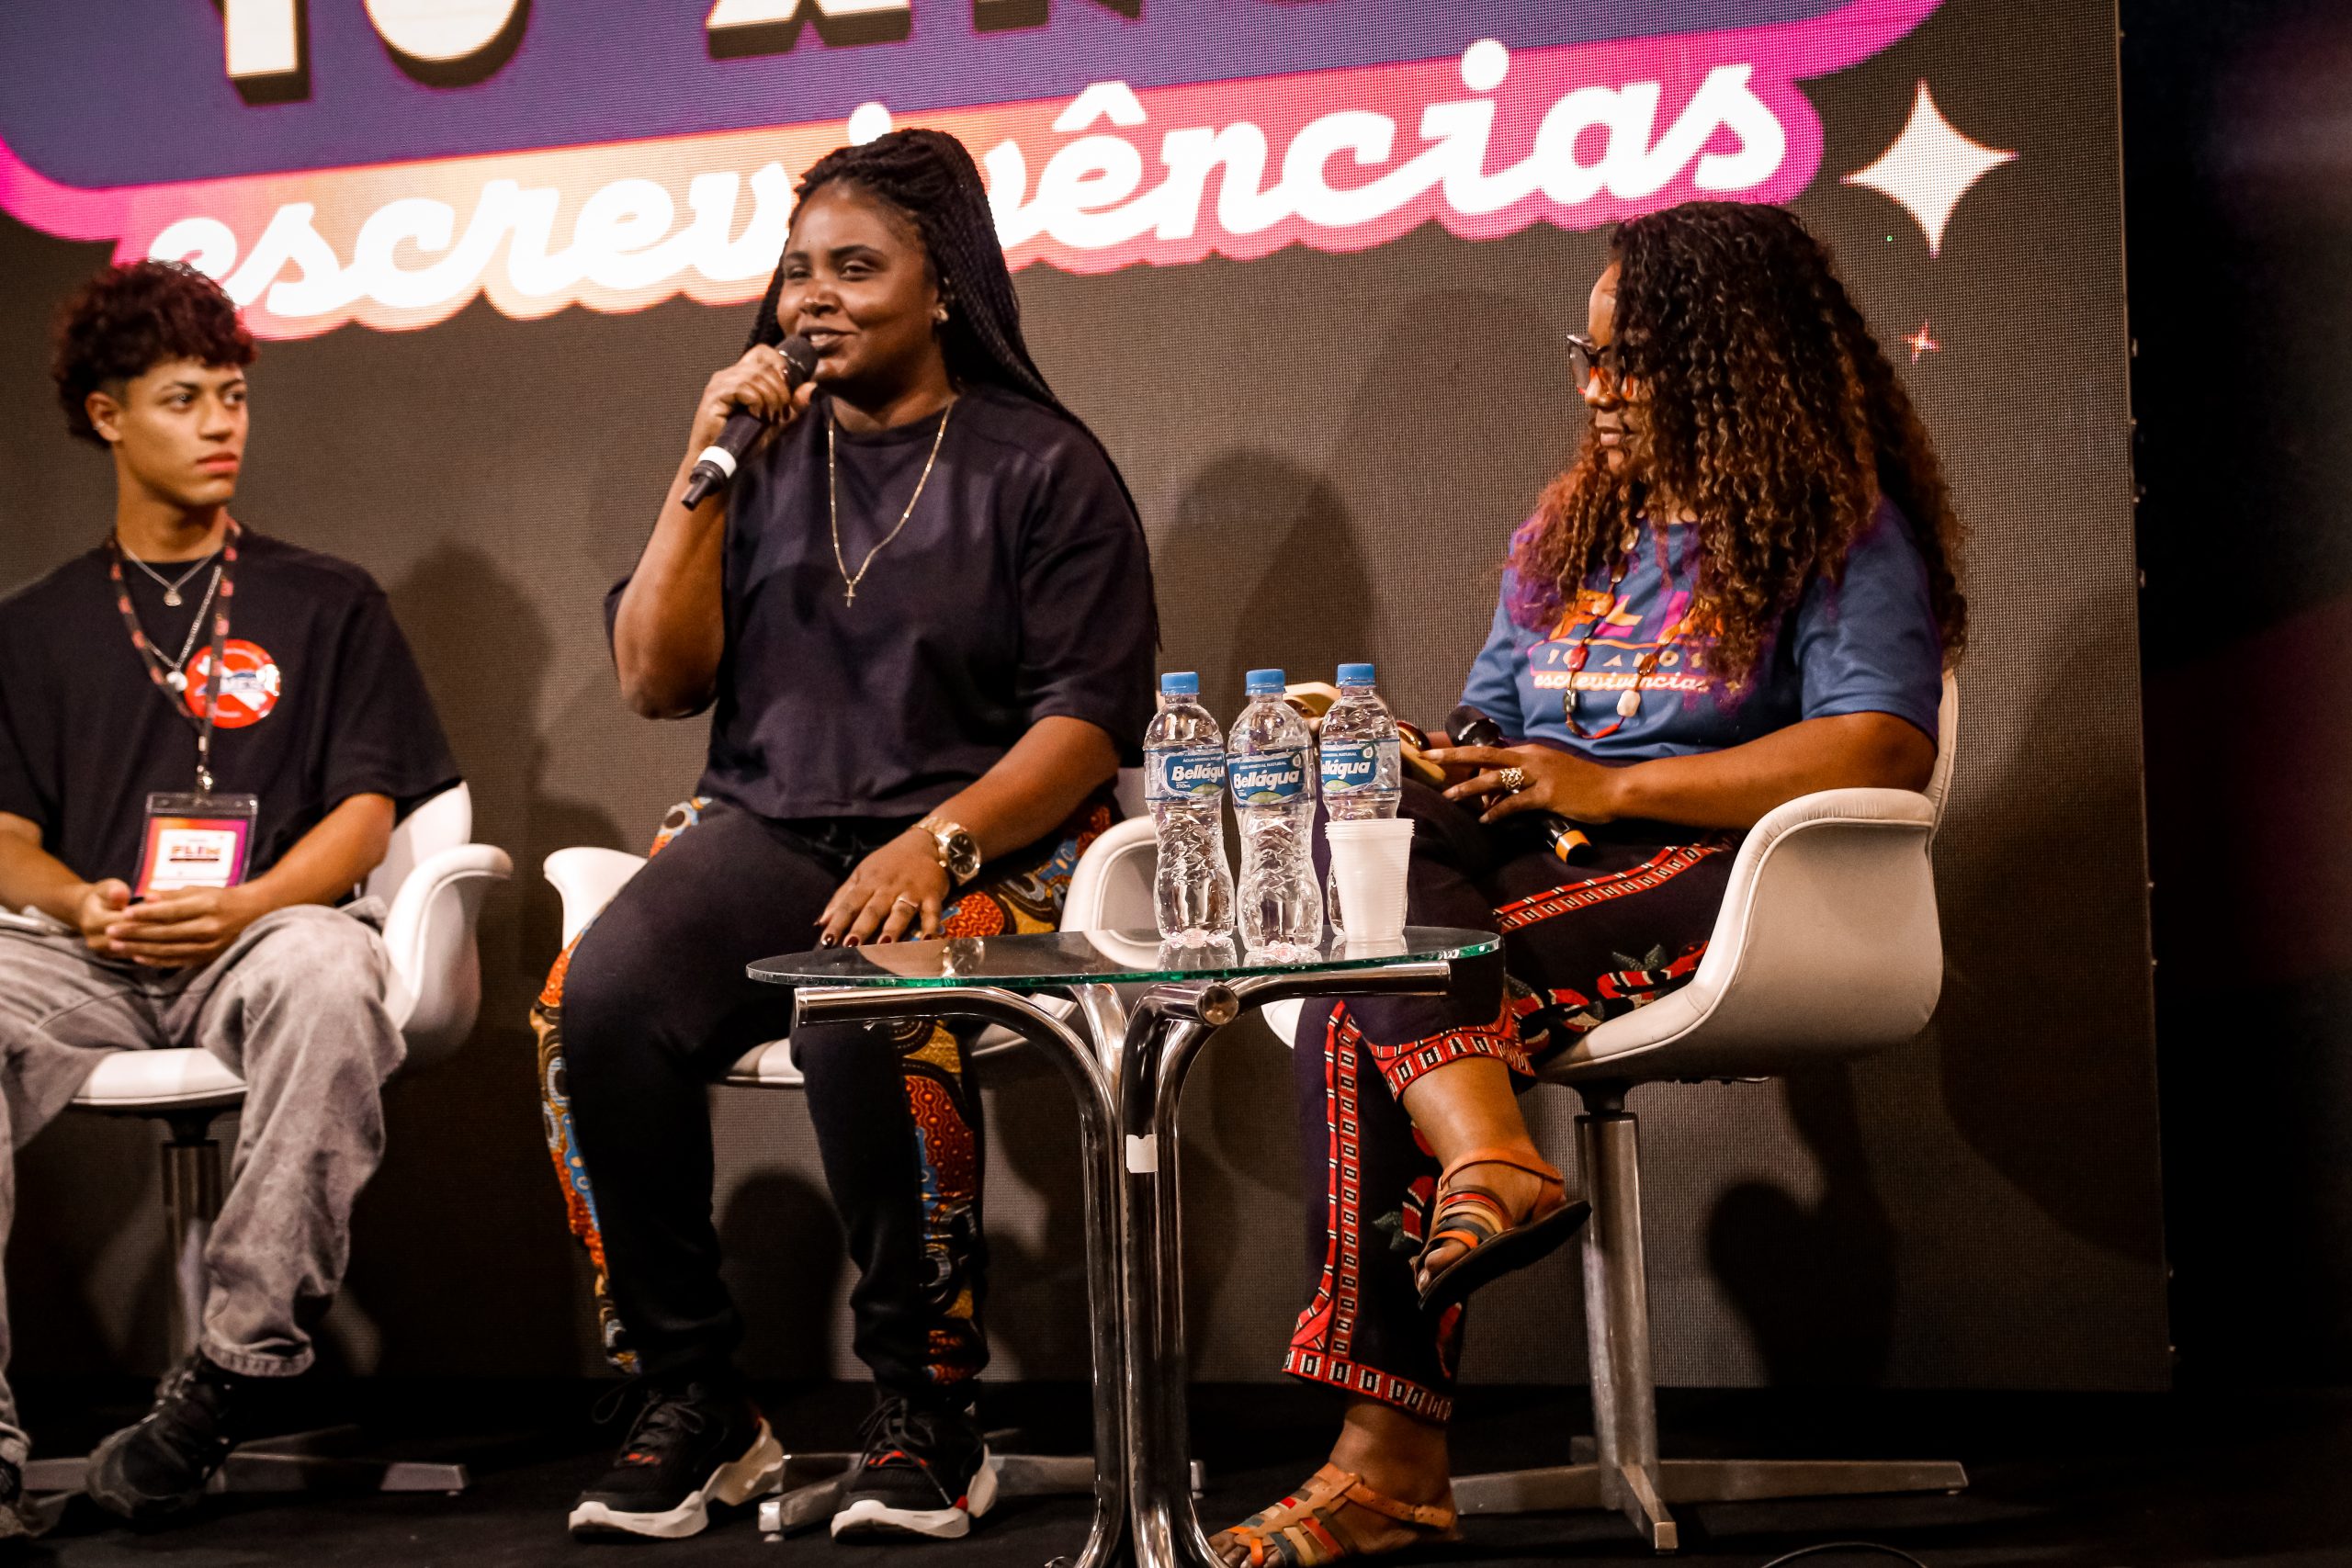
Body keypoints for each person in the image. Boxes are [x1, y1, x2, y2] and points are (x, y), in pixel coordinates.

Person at [1213, 202, 1966, 1566]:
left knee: (1361, 1001)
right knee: (1371, 842)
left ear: (1731, 364)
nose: (1599, 389)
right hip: (1544, 865)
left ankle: (1390, 1454)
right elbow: (1493, 726)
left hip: (1727, 877)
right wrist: (1440, 760)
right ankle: (1489, 1161)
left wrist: (1605, 787)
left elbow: (1880, 745)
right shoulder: (1568, 531)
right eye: (1590, 356)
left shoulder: (1837, 531)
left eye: (1634, 362)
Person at [537, 128, 1156, 1543]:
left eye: (856, 268)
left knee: (861, 1014)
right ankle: (695, 1398)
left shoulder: (1041, 466)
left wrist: (938, 845)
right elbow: (654, 680)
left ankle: (927, 1410)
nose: (813, 297)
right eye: (797, 269)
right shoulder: (756, 464)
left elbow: (1084, 723)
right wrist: (701, 467)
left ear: (942, 288)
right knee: (596, 1007)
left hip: (996, 845)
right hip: (777, 828)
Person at [0, 261, 460, 1533]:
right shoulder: (33, 628)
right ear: (108, 416)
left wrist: (248, 904)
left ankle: (232, 1371)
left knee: (331, 968)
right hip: (91, 954)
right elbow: (7, 840)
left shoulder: (327, 599)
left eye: (233, 397)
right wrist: (81, 905)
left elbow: (366, 814)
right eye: (183, 399)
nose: (220, 425)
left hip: (260, 937)